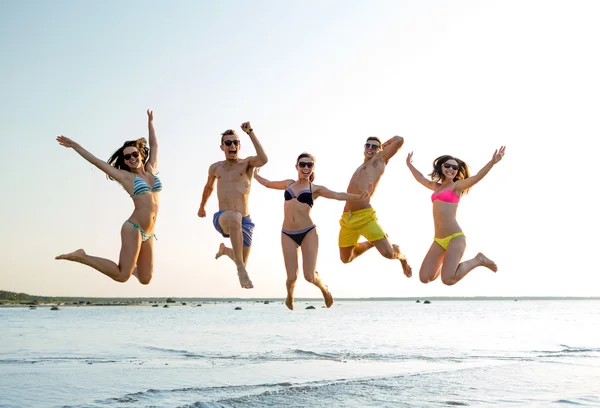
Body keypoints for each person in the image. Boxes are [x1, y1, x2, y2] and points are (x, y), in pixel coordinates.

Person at [254, 153, 372, 310]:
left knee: (309, 276)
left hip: (308, 232)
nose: (305, 168)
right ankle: (290, 296)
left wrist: (358, 197)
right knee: (291, 277)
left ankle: (325, 290)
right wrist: (255, 175)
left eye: (309, 165)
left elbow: (337, 195)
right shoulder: (289, 184)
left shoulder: (315, 189)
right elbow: (268, 183)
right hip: (287, 233)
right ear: (297, 167)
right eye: (302, 164)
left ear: (313, 168)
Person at [55, 110, 161, 284]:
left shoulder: (151, 169)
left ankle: (129, 264)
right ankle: (83, 257)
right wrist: (75, 146)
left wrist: (151, 123)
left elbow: (155, 146)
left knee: (145, 279)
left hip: (149, 233)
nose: (132, 158)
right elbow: (98, 162)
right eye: (127, 157)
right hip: (133, 228)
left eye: (134, 154)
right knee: (122, 276)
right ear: (125, 161)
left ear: (141, 154)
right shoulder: (126, 177)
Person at [405, 146, 506, 285]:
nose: (451, 169)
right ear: (441, 167)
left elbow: (476, 178)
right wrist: (409, 164)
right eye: (448, 166)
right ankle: (447, 262)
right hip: (439, 240)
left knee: (448, 279)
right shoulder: (436, 187)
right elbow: (420, 178)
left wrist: (492, 162)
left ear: (457, 171)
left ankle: (478, 260)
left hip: (455, 238)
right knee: (424, 278)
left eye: (454, 167)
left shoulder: (457, 187)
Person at [197, 122, 268, 289]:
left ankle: (225, 251)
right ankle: (240, 269)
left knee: (241, 258)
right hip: (224, 218)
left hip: (245, 222)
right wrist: (202, 206)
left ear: (239, 146)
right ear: (222, 147)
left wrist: (250, 132)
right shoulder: (216, 168)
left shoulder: (247, 164)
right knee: (234, 217)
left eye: (235, 142)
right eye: (228, 143)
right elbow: (208, 187)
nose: (232, 145)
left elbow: (264, 159)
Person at [338, 136, 412, 278]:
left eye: (374, 146)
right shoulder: (360, 167)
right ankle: (371, 243)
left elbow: (399, 140)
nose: (370, 148)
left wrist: (383, 146)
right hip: (347, 218)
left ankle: (401, 256)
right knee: (346, 259)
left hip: (365, 216)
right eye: (368, 145)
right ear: (364, 148)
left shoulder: (379, 161)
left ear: (380, 150)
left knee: (388, 254)